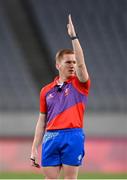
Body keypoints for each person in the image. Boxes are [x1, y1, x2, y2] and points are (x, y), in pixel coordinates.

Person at [30, 14, 90, 180]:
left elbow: (81, 64)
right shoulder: (46, 91)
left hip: (73, 135)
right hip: (51, 137)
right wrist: (35, 147)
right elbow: (42, 121)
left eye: (73, 62)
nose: (72, 65)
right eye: (68, 62)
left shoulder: (80, 85)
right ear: (58, 65)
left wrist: (73, 36)